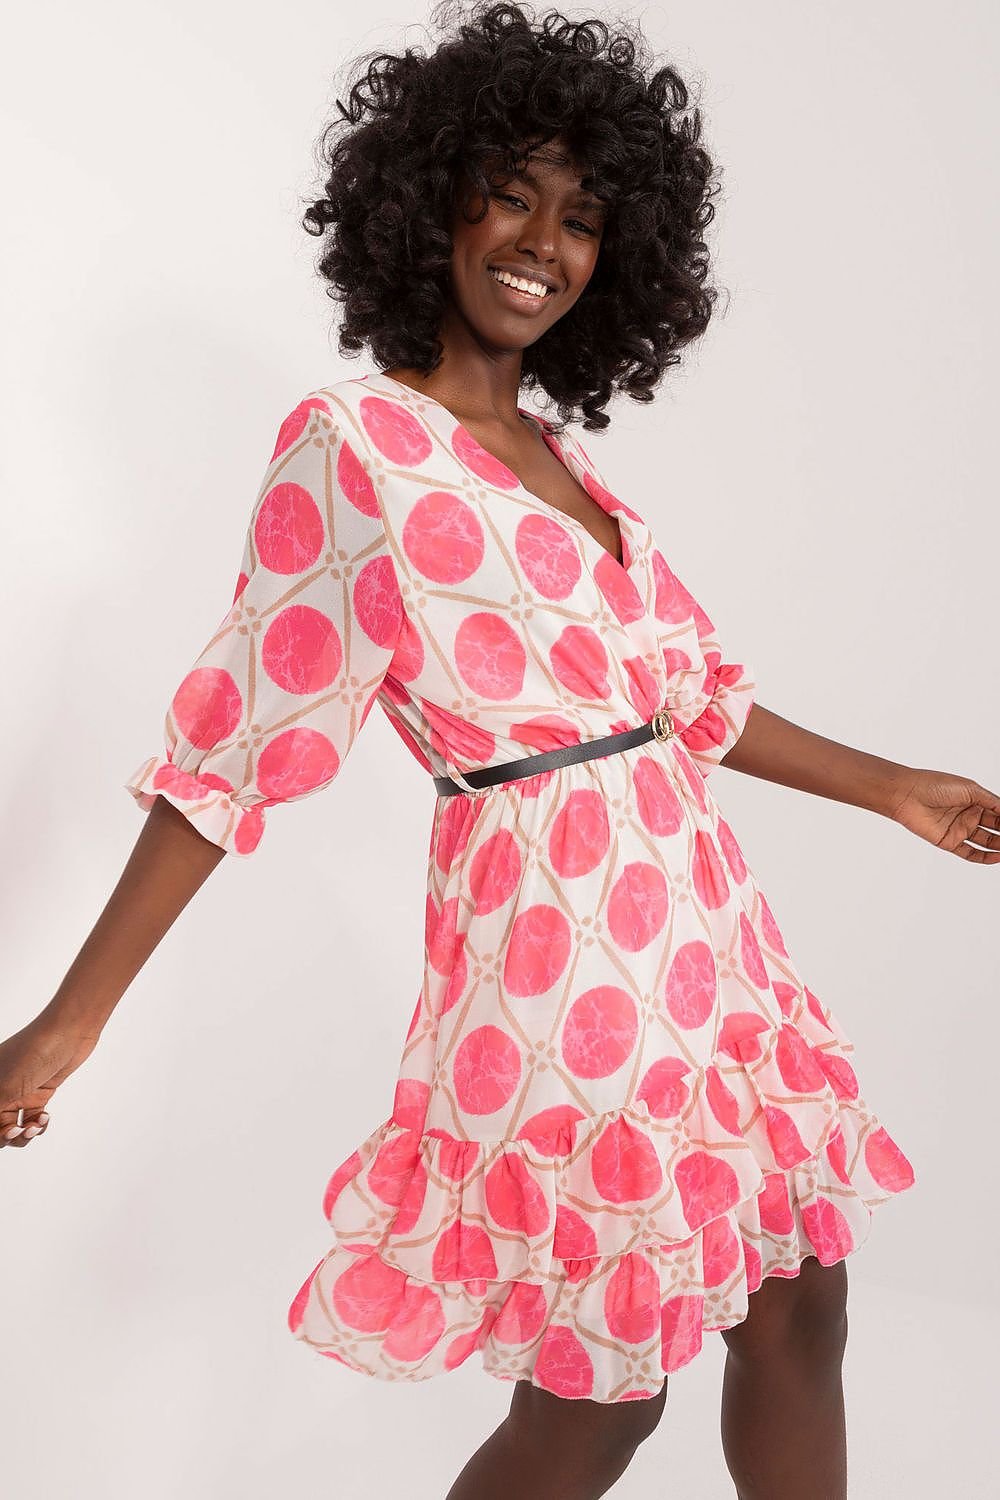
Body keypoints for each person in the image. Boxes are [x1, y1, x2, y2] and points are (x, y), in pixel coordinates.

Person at [2, 4, 997, 1496]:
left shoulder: (565, 463)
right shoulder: (354, 448)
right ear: (428, 205)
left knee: (803, 1308)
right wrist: (68, 1025)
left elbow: (687, 698)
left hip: (704, 935)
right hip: (552, 949)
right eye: (511, 196)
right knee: (603, 1394)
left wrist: (897, 791)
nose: (545, 243)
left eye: (582, 218)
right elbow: (234, 751)